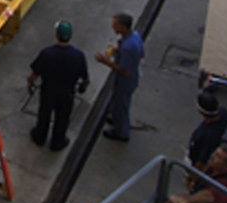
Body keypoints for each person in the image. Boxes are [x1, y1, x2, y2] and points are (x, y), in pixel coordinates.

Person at [180, 89, 227, 203]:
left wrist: (192, 178)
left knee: (200, 196)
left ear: (201, 111)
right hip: (213, 168)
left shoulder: (209, 136)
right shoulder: (223, 116)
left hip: (205, 172)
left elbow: (201, 163)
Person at [28, 20, 89, 151]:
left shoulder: (47, 53)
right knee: (63, 118)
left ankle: (39, 137)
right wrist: (83, 86)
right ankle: (58, 142)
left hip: (48, 91)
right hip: (67, 93)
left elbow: (35, 73)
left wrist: (30, 83)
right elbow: (85, 77)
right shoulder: (78, 56)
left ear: (56, 35)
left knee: (44, 114)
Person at [96, 12, 144, 141]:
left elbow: (125, 71)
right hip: (133, 77)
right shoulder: (135, 36)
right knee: (119, 102)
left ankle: (121, 132)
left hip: (125, 81)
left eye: (115, 25)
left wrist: (107, 62)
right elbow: (141, 54)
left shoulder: (128, 47)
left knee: (121, 104)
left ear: (123, 27)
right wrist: (118, 52)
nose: (113, 27)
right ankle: (115, 118)